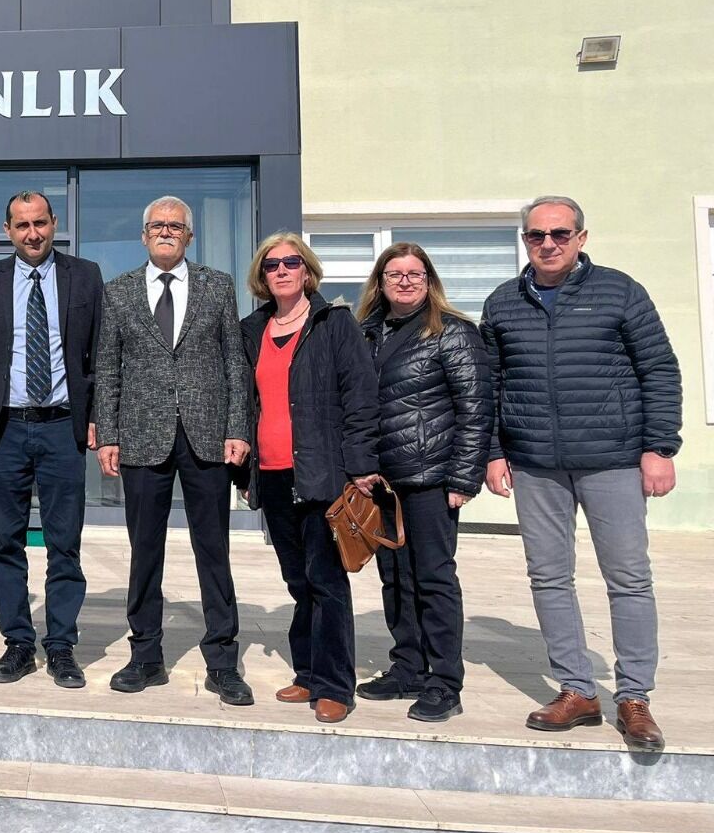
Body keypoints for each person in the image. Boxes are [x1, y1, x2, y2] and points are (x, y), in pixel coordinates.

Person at [481, 196, 681, 752]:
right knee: (548, 577)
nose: (548, 243)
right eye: (537, 235)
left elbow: (659, 369)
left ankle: (634, 697)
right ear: (525, 240)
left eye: (560, 234)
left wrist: (659, 447)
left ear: (581, 238)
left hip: (612, 457)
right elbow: (490, 385)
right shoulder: (503, 302)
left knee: (629, 578)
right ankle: (577, 690)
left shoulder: (620, 291)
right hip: (535, 463)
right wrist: (494, 451)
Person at [94, 196, 254, 703]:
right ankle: (146, 655)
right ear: (144, 235)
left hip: (208, 437)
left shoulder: (217, 286)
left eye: (176, 226)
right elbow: (107, 367)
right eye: (157, 225)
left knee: (214, 551)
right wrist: (109, 434)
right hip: (142, 438)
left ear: (189, 236)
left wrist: (238, 427)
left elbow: (235, 362)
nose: (166, 232)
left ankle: (222, 662)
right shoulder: (118, 291)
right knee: (145, 551)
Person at [0, 190, 103, 689]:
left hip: (63, 427)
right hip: (4, 429)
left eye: (40, 223)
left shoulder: (85, 276)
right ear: (7, 230)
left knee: (65, 543)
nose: (32, 233)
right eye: (22, 225)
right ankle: (18, 643)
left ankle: (61, 645)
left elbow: (102, 352)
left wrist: (98, 417)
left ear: (54, 223)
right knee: (5, 543)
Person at [240, 233, 378, 724]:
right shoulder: (253, 329)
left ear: (307, 270)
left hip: (322, 474)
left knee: (327, 580)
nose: (281, 270)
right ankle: (308, 673)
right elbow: (246, 404)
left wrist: (360, 465)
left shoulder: (334, 324)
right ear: (262, 275)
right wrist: (244, 471)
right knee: (298, 581)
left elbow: (361, 397)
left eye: (291, 262)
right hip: (272, 475)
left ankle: (335, 684)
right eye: (271, 264)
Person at [354, 242, 491, 722]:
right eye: (395, 274)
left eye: (415, 273)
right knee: (395, 578)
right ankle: (408, 667)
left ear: (429, 280)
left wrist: (464, 477)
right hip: (381, 481)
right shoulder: (365, 332)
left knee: (433, 578)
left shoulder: (452, 332)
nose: (405, 281)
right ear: (380, 282)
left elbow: (476, 409)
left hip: (431, 476)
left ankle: (445, 682)